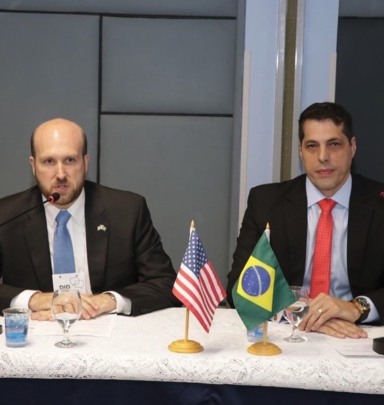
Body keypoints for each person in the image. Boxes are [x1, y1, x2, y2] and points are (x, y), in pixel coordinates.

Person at [227, 102, 384, 338]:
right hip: (288, 334)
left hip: (359, 336)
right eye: (312, 146)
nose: (323, 157)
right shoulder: (266, 202)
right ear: (300, 151)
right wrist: (305, 313)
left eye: (334, 144)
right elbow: (239, 287)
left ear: (352, 147)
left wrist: (356, 307)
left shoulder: (379, 203)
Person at [0, 118, 181, 320]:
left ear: (85, 162)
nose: (60, 174)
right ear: (33, 166)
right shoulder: (7, 216)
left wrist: (108, 301)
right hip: (36, 337)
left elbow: (165, 283)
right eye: (49, 161)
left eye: (70, 160)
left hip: (110, 338)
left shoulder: (127, 211)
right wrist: (35, 299)